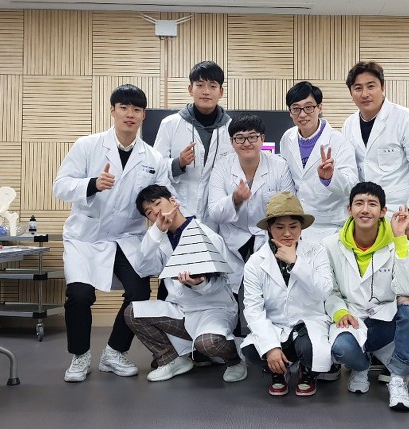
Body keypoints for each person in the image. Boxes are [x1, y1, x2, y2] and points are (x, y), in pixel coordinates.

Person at [53, 84, 172, 383]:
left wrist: (162, 213)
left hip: (127, 236)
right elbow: (61, 185)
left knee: (140, 292)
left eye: (136, 109)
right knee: (80, 295)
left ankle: (114, 352)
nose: (130, 114)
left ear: (143, 115)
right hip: (86, 235)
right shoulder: (87, 145)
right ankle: (80, 356)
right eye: (124, 108)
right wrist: (93, 184)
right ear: (113, 111)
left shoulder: (153, 158)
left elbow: (160, 194)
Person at [124, 185, 247, 383]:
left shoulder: (207, 235)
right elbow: (142, 268)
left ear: (173, 201)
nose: (156, 212)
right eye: (149, 212)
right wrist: (156, 233)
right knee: (133, 312)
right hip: (181, 310)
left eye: (158, 203)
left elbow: (225, 280)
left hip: (214, 309)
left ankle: (235, 361)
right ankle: (172, 359)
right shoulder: (159, 240)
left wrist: (199, 284)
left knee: (208, 343)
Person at [323, 182, 409, 411]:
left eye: (372, 204)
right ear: (349, 209)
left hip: (385, 321)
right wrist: (340, 312)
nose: (365, 209)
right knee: (341, 348)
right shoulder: (330, 245)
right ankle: (361, 366)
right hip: (353, 319)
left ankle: (398, 379)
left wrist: (400, 238)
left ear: (382, 211)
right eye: (359, 203)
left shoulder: (396, 242)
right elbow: (330, 291)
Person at [342, 61, 409, 282]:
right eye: (358, 88)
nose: (365, 94)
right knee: (373, 282)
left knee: (406, 281)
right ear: (351, 92)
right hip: (368, 216)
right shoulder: (349, 125)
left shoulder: (408, 119)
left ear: (383, 87)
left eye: (371, 86)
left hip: (401, 212)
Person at [207, 113, 295, 333]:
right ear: (232, 142)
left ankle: (272, 339)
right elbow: (214, 212)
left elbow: (289, 206)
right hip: (232, 240)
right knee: (234, 295)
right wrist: (235, 200)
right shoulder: (222, 167)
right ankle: (237, 341)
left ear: (262, 138)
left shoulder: (278, 166)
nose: (246, 143)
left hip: (267, 238)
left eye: (252, 137)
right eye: (240, 138)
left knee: (269, 294)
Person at [240, 192, 333, 396]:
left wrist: (296, 263)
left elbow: (324, 291)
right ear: (269, 228)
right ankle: (279, 369)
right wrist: (271, 347)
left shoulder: (317, 252)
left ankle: (306, 370)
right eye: (279, 227)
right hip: (276, 325)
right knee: (251, 350)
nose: (287, 233)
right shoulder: (255, 262)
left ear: (302, 227)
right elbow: (253, 310)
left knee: (310, 349)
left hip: (308, 323)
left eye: (293, 226)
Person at [153, 61, 233, 230]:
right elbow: (155, 168)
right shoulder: (170, 124)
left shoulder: (231, 128)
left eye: (212, 86)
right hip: (179, 212)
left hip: (217, 217)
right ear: (190, 89)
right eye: (200, 85)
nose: (206, 91)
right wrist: (178, 163)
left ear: (221, 92)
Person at [278, 81, 358, 245]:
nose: (302, 114)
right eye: (296, 108)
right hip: (298, 224)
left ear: (319, 108)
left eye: (308, 107)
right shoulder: (287, 138)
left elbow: (352, 186)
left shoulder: (339, 141)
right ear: (290, 112)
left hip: (331, 226)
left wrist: (330, 178)